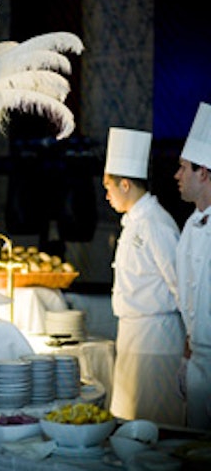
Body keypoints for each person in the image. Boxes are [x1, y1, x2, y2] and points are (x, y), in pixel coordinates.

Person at [103, 127, 186, 425]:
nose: (106, 196)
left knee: (152, 427)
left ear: (125, 185)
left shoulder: (156, 224)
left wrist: (191, 344)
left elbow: (181, 287)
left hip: (156, 341)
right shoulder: (133, 223)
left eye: (108, 187)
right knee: (128, 423)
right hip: (132, 338)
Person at [174, 101, 211, 430]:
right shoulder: (190, 225)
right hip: (198, 362)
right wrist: (187, 357)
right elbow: (189, 297)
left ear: (204, 172)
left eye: (184, 167)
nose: (177, 175)